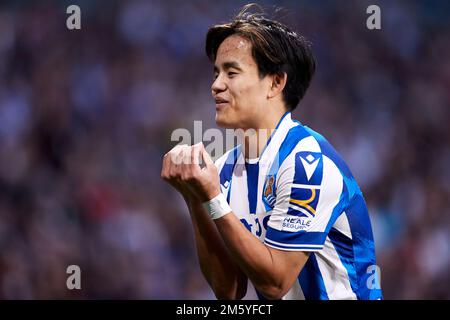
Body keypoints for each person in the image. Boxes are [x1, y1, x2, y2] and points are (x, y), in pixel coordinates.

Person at [161, 4, 382, 300]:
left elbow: (275, 283)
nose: (216, 85)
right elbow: (230, 292)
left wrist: (212, 197)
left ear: (276, 82)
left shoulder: (307, 163)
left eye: (231, 72)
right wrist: (195, 199)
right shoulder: (225, 168)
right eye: (216, 73)